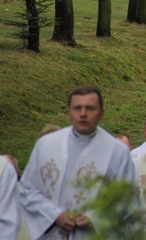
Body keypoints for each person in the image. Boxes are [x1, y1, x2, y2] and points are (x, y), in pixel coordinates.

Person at [18, 87, 137, 239]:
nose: (83, 114)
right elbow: (27, 190)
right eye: (77, 108)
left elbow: (128, 198)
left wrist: (95, 217)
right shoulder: (46, 145)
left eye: (90, 108)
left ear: (101, 114)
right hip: (52, 232)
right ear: (68, 113)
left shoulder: (118, 152)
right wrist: (55, 215)